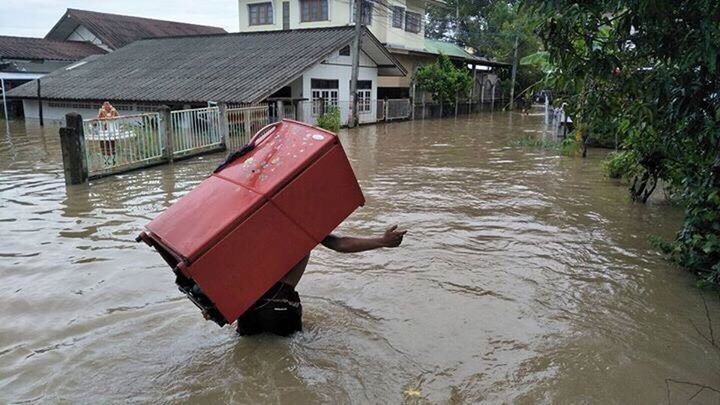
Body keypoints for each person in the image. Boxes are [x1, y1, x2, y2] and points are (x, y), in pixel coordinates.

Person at [235, 225, 407, 337]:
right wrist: (382, 241)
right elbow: (340, 244)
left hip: (247, 308)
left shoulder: (237, 227)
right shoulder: (295, 220)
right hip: (281, 303)